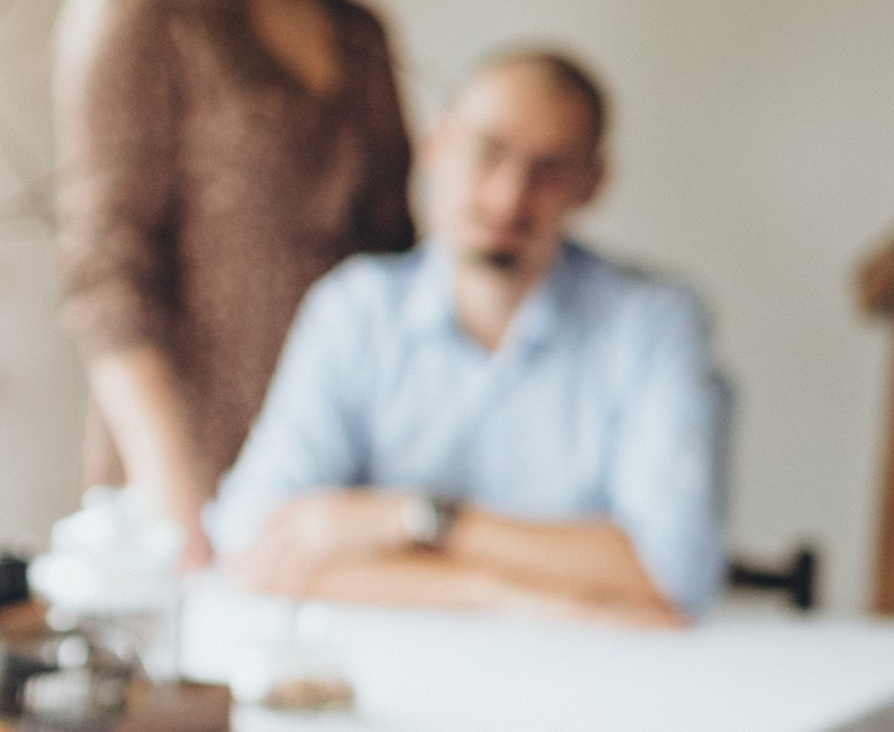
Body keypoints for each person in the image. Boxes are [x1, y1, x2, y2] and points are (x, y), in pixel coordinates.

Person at [55, 0, 415, 556]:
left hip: (344, 459)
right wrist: (174, 494)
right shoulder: (141, 17)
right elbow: (106, 274)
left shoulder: (359, 33)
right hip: (193, 458)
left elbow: (399, 261)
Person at [206, 48, 729, 619]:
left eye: (549, 169)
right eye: (490, 152)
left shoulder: (652, 324)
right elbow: (252, 544)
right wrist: (498, 594)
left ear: (592, 184)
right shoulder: (356, 310)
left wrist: (411, 522)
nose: (508, 197)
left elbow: (671, 571)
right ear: (438, 146)